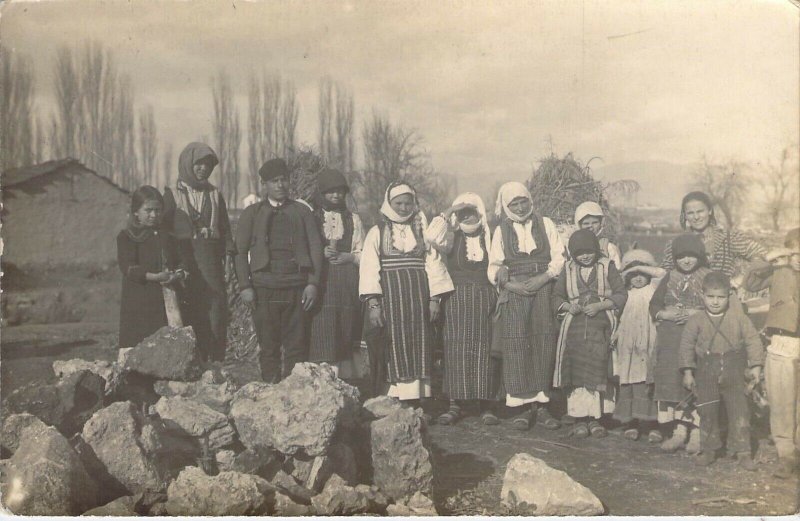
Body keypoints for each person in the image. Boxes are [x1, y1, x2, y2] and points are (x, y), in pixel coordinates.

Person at [359, 181, 453, 405]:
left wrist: (434, 300)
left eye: (407, 203)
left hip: (418, 299)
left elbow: (434, 264)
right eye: (398, 203)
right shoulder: (377, 231)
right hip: (391, 300)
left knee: (419, 343)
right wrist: (373, 304)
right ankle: (393, 398)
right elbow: (369, 269)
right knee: (392, 344)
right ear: (389, 203)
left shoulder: (422, 230)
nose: (403, 208)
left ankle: (417, 398)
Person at [233, 158, 323, 382]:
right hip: (264, 290)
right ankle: (270, 394)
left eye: (284, 180)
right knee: (269, 346)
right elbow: (239, 252)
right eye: (275, 181)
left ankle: (294, 394)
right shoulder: (252, 213)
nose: (281, 185)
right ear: (264, 184)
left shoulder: (302, 212)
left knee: (297, 346)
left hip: (297, 288)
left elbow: (315, 249)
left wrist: (312, 284)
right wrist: (245, 286)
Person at [488, 182, 566, 431]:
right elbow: (493, 266)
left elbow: (559, 257)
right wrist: (512, 286)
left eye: (523, 201)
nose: (520, 207)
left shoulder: (546, 224)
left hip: (543, 286)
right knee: (517, 344)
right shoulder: (501, 230)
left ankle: (542, 408)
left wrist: (544, 278)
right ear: (506, 206)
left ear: (530, 201)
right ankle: (522, 409)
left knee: (544, 342)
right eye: (514, 203)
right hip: (516, 290)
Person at [425, 192, 498, 425]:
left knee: (484, 352)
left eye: (471, 212)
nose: (467, 217)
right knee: (456, 351)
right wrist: (450, 210)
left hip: (486, 298)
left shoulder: (490, 236)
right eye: (462, 213)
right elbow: (430, 236)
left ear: (480, 214)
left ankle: (485, 405)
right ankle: (455, 404)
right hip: (456, 299)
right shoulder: (450, 237)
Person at [679, 271, 764, 470]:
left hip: (734, 368)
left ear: (728, 296)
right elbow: (686, 345)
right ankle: (709, 449)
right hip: (706, 368)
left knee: (739, 410)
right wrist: (688, 372)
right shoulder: (696, 320)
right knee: (707, 410)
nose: (715, 302)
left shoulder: (739, 318)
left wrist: (756, 366)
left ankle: (742, 451)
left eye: (721, 297)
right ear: (703, 296)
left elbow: (753, 340)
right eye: (711, 297)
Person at [163, 143, 235, 362]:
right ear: (187, 164)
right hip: (184, 261)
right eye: (198, 164)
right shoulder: (172, 194)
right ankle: (190, 362)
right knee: (189, 310)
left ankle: (215, 361)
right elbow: (165, 230)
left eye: (208, 165)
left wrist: (229, 256)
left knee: (215, 309)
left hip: (210, 261)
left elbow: (224, 230)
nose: (203, 169)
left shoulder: (214, 195)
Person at [552, 229, 627, 438]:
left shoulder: (607, 266)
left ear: (596, 250)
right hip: (575, 328)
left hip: (600, 323)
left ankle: (596, 419)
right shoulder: (567, 269)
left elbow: (621, 293)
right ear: (573, 255)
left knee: (598, 366)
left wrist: (601, 306)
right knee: (576, 369)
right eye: (579, 253)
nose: (585, 256)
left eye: (589, 252)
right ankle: (579, 418)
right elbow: (556, 296)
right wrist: (568, 307)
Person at [743, 228, 800, 478]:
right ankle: (786, 454)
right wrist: (770, 258)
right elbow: (750, 281)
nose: (798, 258)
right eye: (793, 252)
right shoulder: (778, 271)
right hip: (781, 343)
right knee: (781, 402)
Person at [650, 233, 710, 453]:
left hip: (697, 339)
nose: (686, 260)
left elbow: (718, 305)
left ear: (699, 257)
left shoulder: (708, 276)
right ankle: (679, 431)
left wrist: (695, 313)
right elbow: (654, 305)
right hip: (671, 340)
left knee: (695, 381)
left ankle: (696, 432)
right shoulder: (670, 277)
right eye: (681, 256)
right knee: (674, 382)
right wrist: (665, 314)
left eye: (691, 256)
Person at [308, 168, 364, 379]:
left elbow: (363, 251)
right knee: (323, 326)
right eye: (331, 191)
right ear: (322, 193)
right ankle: (324, 379)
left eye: (340, 191)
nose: (336, 196)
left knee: (345, 325)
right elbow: (305, 247)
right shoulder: (313, 217)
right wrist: (320, 252)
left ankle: (347, 379)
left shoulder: (353, 219)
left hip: (347, 281)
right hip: (321, 280)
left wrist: (349, 257)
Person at [117, 186, 188, 348]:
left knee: (166, 342)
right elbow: (127, 267)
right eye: (148, 210)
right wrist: (154, 277)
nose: (154, 215)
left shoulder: (168, 236)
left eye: (158, 210)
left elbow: (180, 261)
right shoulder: (128, 237)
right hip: (139, 299)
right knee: (140, 342)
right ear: (136, 211)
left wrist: (177, 274)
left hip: (166, 299)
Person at [612, 249, 666, 442]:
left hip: (649, 343)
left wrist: (640, 266)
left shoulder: (653, 290)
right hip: (628, 344)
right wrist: (616, 334)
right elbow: (621, 318)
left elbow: (662, 274)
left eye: (641, 274)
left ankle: (653, 425)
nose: (637, 278)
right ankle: (631, 423)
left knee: (647, 380)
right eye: (632, 275)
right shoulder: (625, 294)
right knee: (630, 380)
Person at [662, 191, 766, 279]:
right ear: (685, 215)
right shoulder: (675, 243)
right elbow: (665, 273)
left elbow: (759, 253)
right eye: (690, 213)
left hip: (724, 297)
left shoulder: (729, 238)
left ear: (710, 211)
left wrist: (742, 279)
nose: (696, 217)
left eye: (700, 211)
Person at [574, 201, 622, 268]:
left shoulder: (609, 248)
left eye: (595, 223)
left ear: (601, 223)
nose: (590, 226)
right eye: (586, 223)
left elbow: (617, 271)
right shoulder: (573, 247)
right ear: (579, 225)